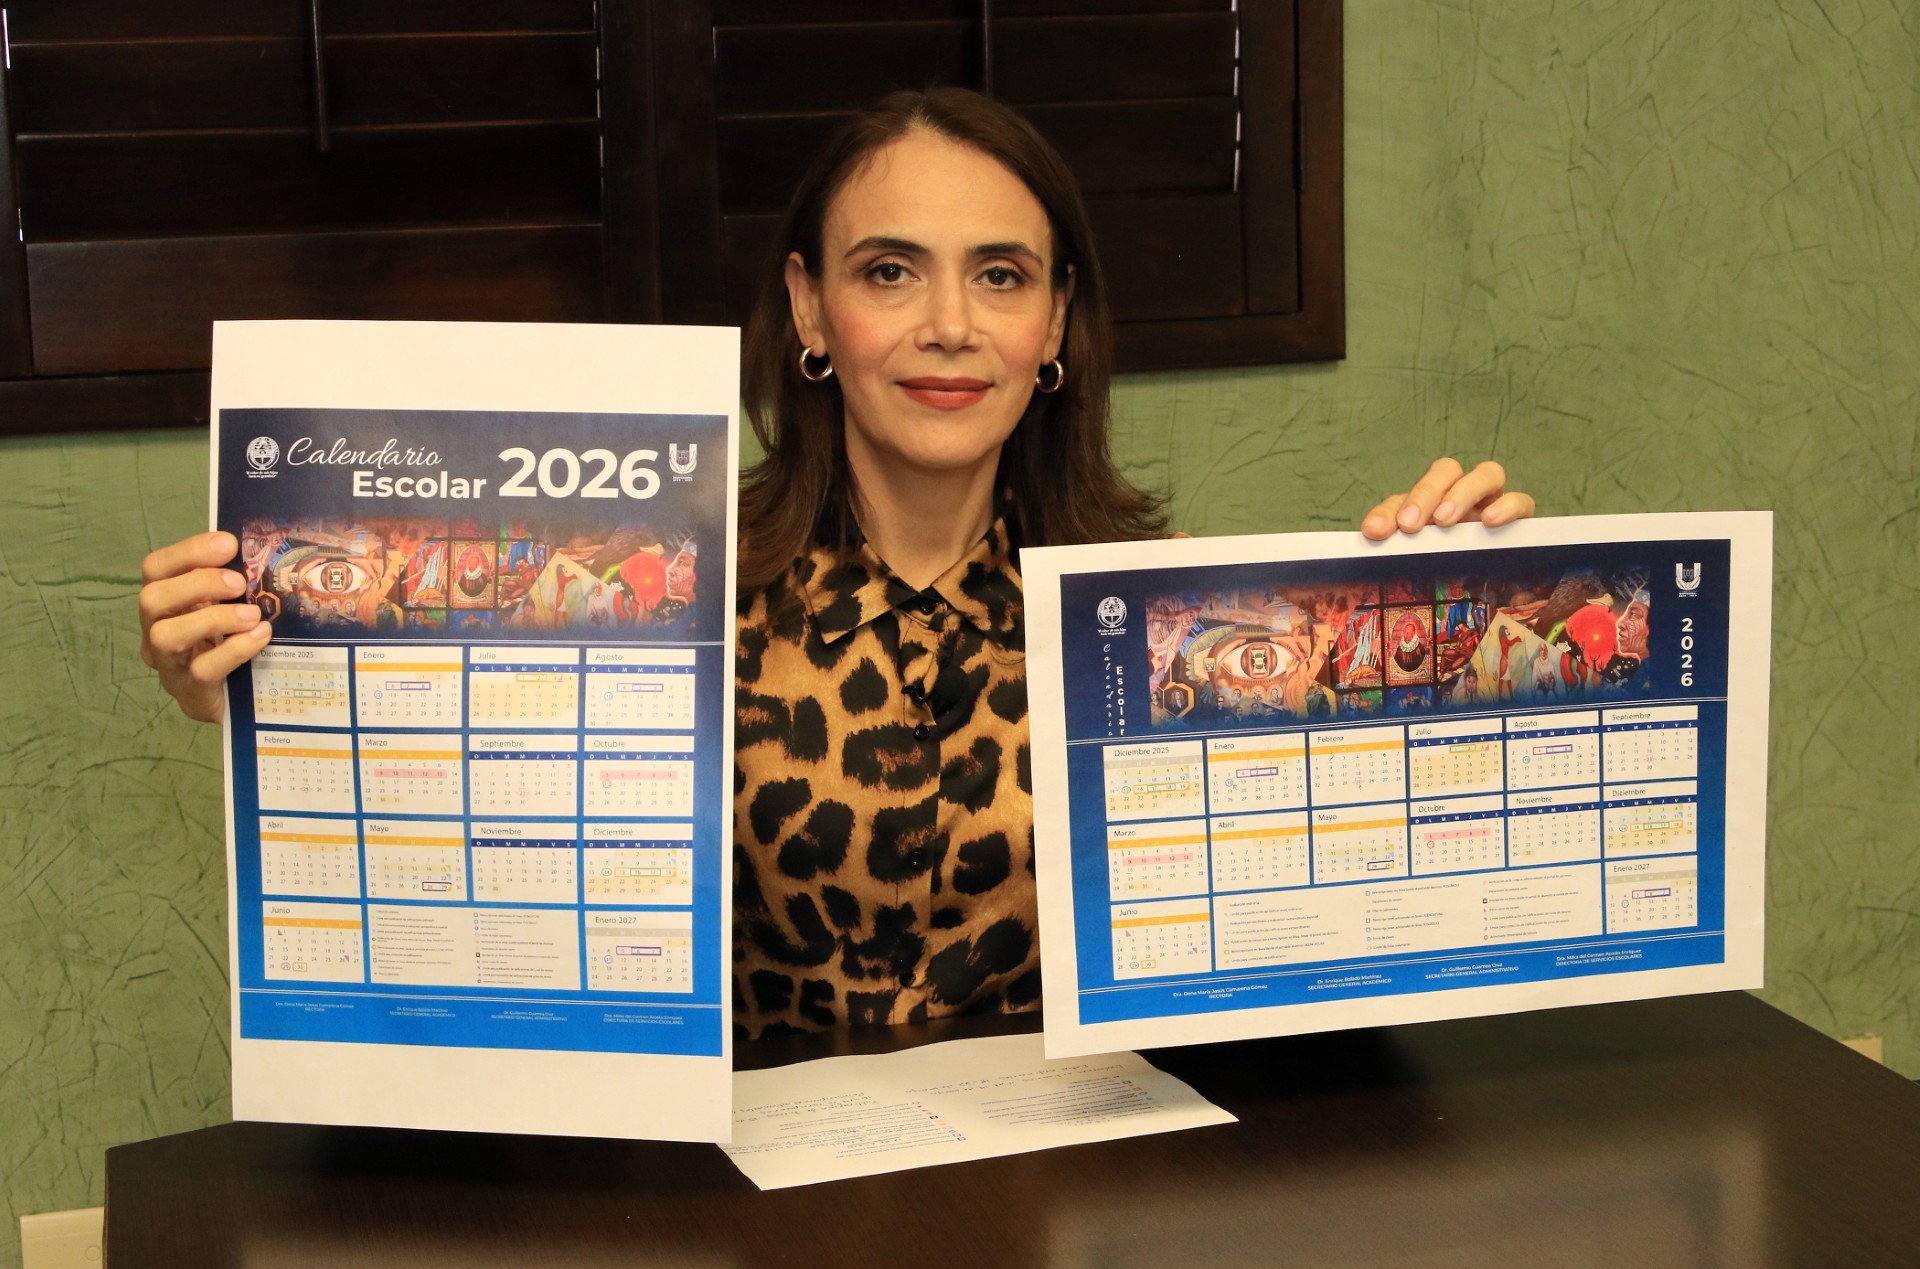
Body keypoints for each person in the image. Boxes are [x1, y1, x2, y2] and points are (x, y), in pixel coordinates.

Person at [138, 88, 1533, 1038]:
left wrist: (1442, 637)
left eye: (1001, 275)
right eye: (889, 271)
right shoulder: (660, 599)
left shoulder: (1156, 625)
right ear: (810, 306)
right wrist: (268, 691)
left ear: (1055, 323)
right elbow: (481, 840)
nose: (949, 325)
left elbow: (1311, 937)